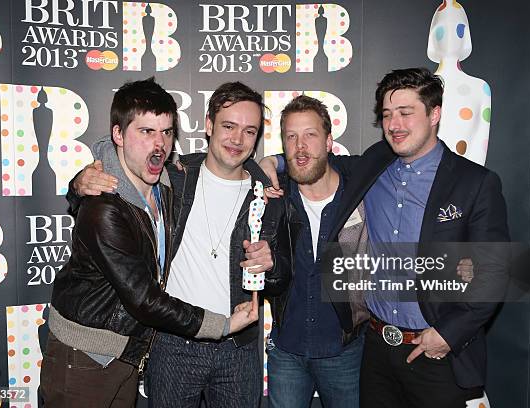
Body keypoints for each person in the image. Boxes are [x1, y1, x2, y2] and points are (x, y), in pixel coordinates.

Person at [40, 78, 259, 408]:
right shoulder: (104, 207)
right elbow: (143, 299)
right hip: (84, 356)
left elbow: (240, 159)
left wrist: (269, 166)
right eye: (146, 132)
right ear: (118, 134)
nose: (159, 144)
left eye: (167, 133)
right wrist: (224, 324)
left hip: (128, 352)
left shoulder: (168, 182)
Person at [327, 67, 509, 407]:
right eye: (387, 115)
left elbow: (494, 273)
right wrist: (270, 164)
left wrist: (447, 335)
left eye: (406, 113)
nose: (394, 125)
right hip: (377, 350)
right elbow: (322, 163)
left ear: (435, 113)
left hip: (436, 354)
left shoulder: (475, 183)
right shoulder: (374, 163)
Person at [263, 95, 365, 408]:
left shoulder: (359, 193)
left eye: (310, 135)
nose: (300, 146)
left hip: (344, 352)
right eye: (291, 137)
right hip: (286, 351)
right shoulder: (274, 195)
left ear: (329, 141)